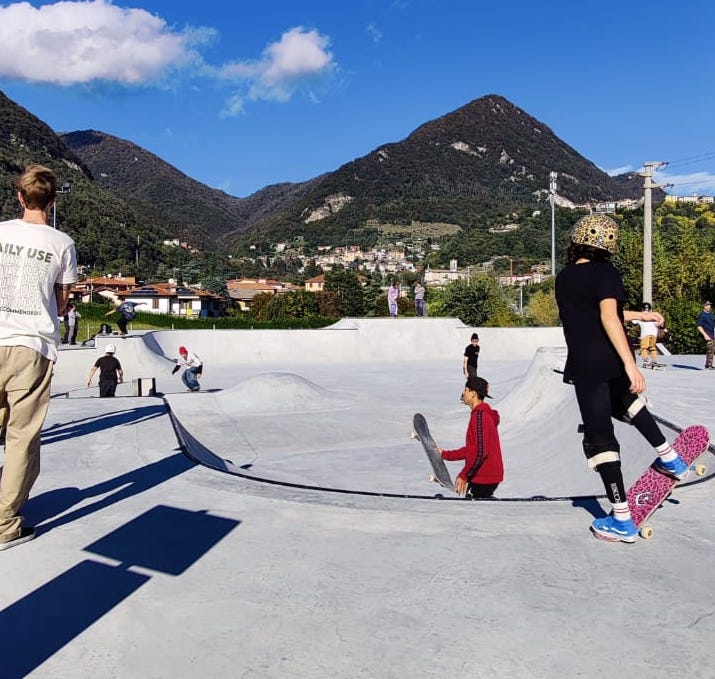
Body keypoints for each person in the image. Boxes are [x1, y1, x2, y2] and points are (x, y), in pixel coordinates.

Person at [555, 213, 688, 543]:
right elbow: (608, 316)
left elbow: (601, 315)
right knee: (628, 403)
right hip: (610, 360)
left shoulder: (565, 278)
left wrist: (641, 320)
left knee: (600, 437)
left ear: (577, 241)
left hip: (586, 365)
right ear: (609, 246)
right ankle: (671, 459)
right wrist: (630, 364)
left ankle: (622, 520)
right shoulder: (606, 272)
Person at [0, 165, 77, 551]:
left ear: (19, 197)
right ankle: (4, 526)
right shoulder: (62, 243)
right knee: (20, 438)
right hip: (31, 346)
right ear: (53, 201)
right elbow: (63, 304)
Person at [437, 376, 504, 498]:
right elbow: (472, 449)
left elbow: (481, 452)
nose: (463, 393)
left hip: (484, 477)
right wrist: (446, 454)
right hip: (485, 475)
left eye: (466, 390)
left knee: (476, 510)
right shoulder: (481, 415)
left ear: (473, 393)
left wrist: (464, 475)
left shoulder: (480, 417)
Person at [631, 302, 661, 369]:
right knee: (652, 347)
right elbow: (659, 324)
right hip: (653, 334)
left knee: (644, 348)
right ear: (650, 309)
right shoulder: (653, 316)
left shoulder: (641, 315)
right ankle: (654, 361)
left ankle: (645, 362)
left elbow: (633, 321)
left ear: (642, 308)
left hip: (645, 334)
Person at [696, 300, 715, 370]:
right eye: (707, 305)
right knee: (710, 350)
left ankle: (709, 364)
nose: (709, 306)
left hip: (712, 334)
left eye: (709, 305)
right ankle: (708, 365)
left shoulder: (711, 314)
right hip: (707, 334)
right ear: (704, 306)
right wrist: (705, 335)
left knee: (712, 350)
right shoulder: (702, 315)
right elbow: (699, 326)